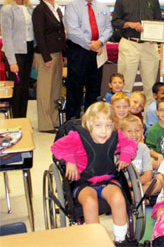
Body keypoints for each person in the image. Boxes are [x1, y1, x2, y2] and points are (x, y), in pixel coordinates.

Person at [51, 102, 136, 245]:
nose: (103, 131)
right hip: (83, 183)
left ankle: (120, 240)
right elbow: (57, 147)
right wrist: (70, 160)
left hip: (107, 180)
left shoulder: (116, 135)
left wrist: (125, 156)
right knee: (90, 203)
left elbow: (130, 144)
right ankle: (96, 241)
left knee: (118, 198)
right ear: (88, 124)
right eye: (98, 125)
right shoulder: (77, 137)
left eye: (108, 126)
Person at [112, 0, 161, 108]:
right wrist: (130, 24)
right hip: (129, 44)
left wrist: (156, 36)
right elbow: (115, 21)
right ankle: (122, 115)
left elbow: (158, 21)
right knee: (125, 84)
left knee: (150, 85)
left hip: (148, 45)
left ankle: (148, 117)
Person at [64, 0, 113, 120]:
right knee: (75, 90)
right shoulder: (72, 6)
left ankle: (91, 121)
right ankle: (72, 123)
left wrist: (100, 42)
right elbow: (73, 31)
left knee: (94, 89)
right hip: (79, 51)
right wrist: (90, 44)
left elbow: (108, 29)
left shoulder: (102, 7)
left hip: (97, 52)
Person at [32, 0, 65, 132]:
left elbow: (60, 33)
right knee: (45, 91)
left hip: (57, 54)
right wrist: (46, 57)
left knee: (55, 90)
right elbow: (39, 34)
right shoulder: (40, 10)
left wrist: (62, 53)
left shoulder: (57, 9)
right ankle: (45, 125)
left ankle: (54, 120)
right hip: (45, 55)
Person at [0, 0, 34, 118]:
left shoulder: (29, 8)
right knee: (17, 88)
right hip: (15, 53)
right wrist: (12, 61)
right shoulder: (7, 10)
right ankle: (16, 120)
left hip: (28, 49)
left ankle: (23, 119)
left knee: (25, 88)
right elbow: (6, 37)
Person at [120, 115, 159, 195]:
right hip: (122, 186)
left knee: (158, 181)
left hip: (138, 184)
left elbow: (148, 175)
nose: (134, 134)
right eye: (129, 131)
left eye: (137, 130)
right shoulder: (118, 149)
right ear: (122, 133)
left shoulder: (143, 148)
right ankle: (138, 198)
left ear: (142, 131)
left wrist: (131, 185)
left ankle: (134, 197)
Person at [145, 97, 164, 169]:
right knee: (151, 162)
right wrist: (158, 155)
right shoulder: (153, 130)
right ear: (157, 112)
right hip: (160, 160)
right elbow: (149, 149)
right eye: (161, 110)